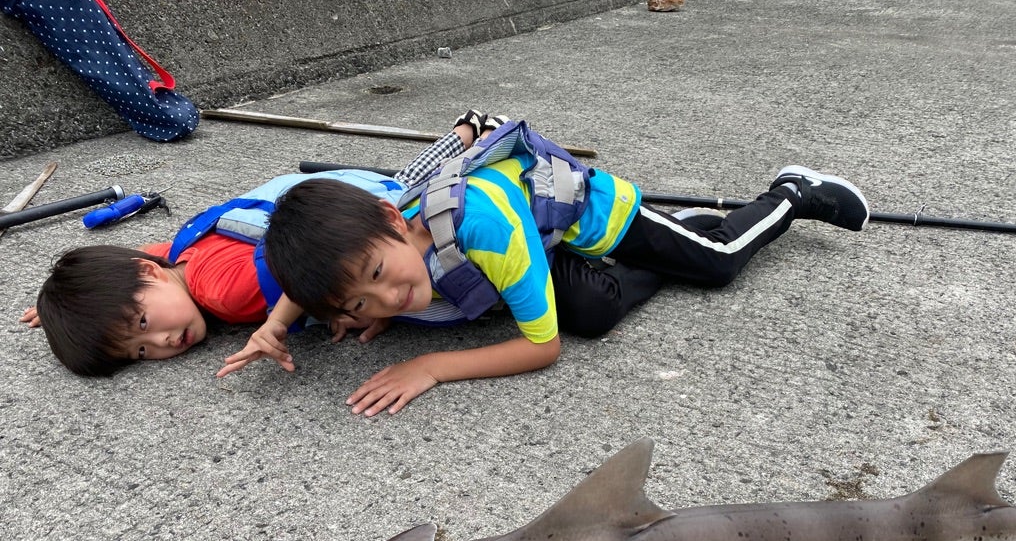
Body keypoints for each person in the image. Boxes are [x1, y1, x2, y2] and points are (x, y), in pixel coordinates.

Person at [252, 120, 869, 417]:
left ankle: (791, 194)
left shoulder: (483, 228)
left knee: (718, 265)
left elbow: (542, 348)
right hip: (544, 244)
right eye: (361, 304)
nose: (391, 299)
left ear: (393, 220)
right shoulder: (380, 248)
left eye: (380, 274)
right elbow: (336, 279)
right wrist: (277, 324)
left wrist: (431, 366)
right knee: (594, 312)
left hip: (595, 216)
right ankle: (679, 236)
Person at [19, 111, 500, 377]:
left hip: (358, 215)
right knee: (407, 181)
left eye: (142, 323)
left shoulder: (222, 291)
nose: (161, 341)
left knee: (428, 203)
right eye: (140, 352)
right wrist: (76, 303)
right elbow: (148, 246)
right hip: (335, 192)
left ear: (148, 273)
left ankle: (483, 145)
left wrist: (313, 316)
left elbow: (310, 264)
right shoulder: (178, 256)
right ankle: (465, 130)